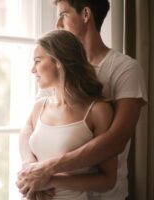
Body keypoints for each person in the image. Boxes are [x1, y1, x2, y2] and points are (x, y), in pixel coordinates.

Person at [17, 0, 148, 199]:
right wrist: (31, 171)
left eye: (63, 15)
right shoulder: (56, 74)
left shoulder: (125, 69)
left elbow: (116, 140)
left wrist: (48, 171)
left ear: (85, 14)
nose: (57, 25)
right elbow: (30, 127)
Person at [18, 29, 117, 200]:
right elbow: (25, 135)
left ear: (58, 62)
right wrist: (29, 169)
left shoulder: (97, 111)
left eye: (37, 61)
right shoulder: (40, 106)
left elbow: (108, 180)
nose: (32, 70)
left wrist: (51, 180)